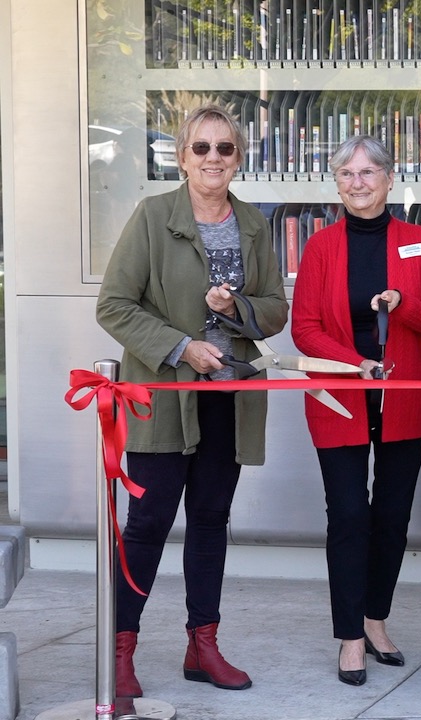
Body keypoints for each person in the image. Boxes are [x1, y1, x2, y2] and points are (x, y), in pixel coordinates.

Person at [96, 103, 288, 697]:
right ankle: (119, 653)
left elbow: (276, 310)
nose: (213, 159)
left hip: (228, 396)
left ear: (238, 158)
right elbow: (114, 305)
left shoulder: (255, 224)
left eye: (225, 149)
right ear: (182, 158)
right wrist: (182, 347)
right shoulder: (153, 217)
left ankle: (202, 646)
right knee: (148, 522)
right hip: (162, 394)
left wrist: (238, 311)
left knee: (210, 520)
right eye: (201, 148)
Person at [291, 135, 421, 686]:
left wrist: (403, 306)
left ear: (388, 176)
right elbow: (304, 328)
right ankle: (350, 638)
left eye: (368, 172)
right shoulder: (320, 247)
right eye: (347, 174)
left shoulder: (417, 241)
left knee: (392, 517)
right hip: (340, 397)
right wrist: (355, 362)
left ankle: (375, 619)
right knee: (350, 515)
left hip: (404, 397)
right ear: (337, 183)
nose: (358, 183)